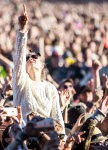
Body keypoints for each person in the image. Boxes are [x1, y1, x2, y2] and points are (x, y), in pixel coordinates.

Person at [12, 5, 65, 133]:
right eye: (28, 57)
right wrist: (23, 30)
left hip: (46, 138)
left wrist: (62, 139)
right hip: (24, 137)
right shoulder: (22, 83)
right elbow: (18, 58)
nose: (31, 58)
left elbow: (57, 117)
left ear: (42, 65)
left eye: (35, 56)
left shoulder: (50, 88)